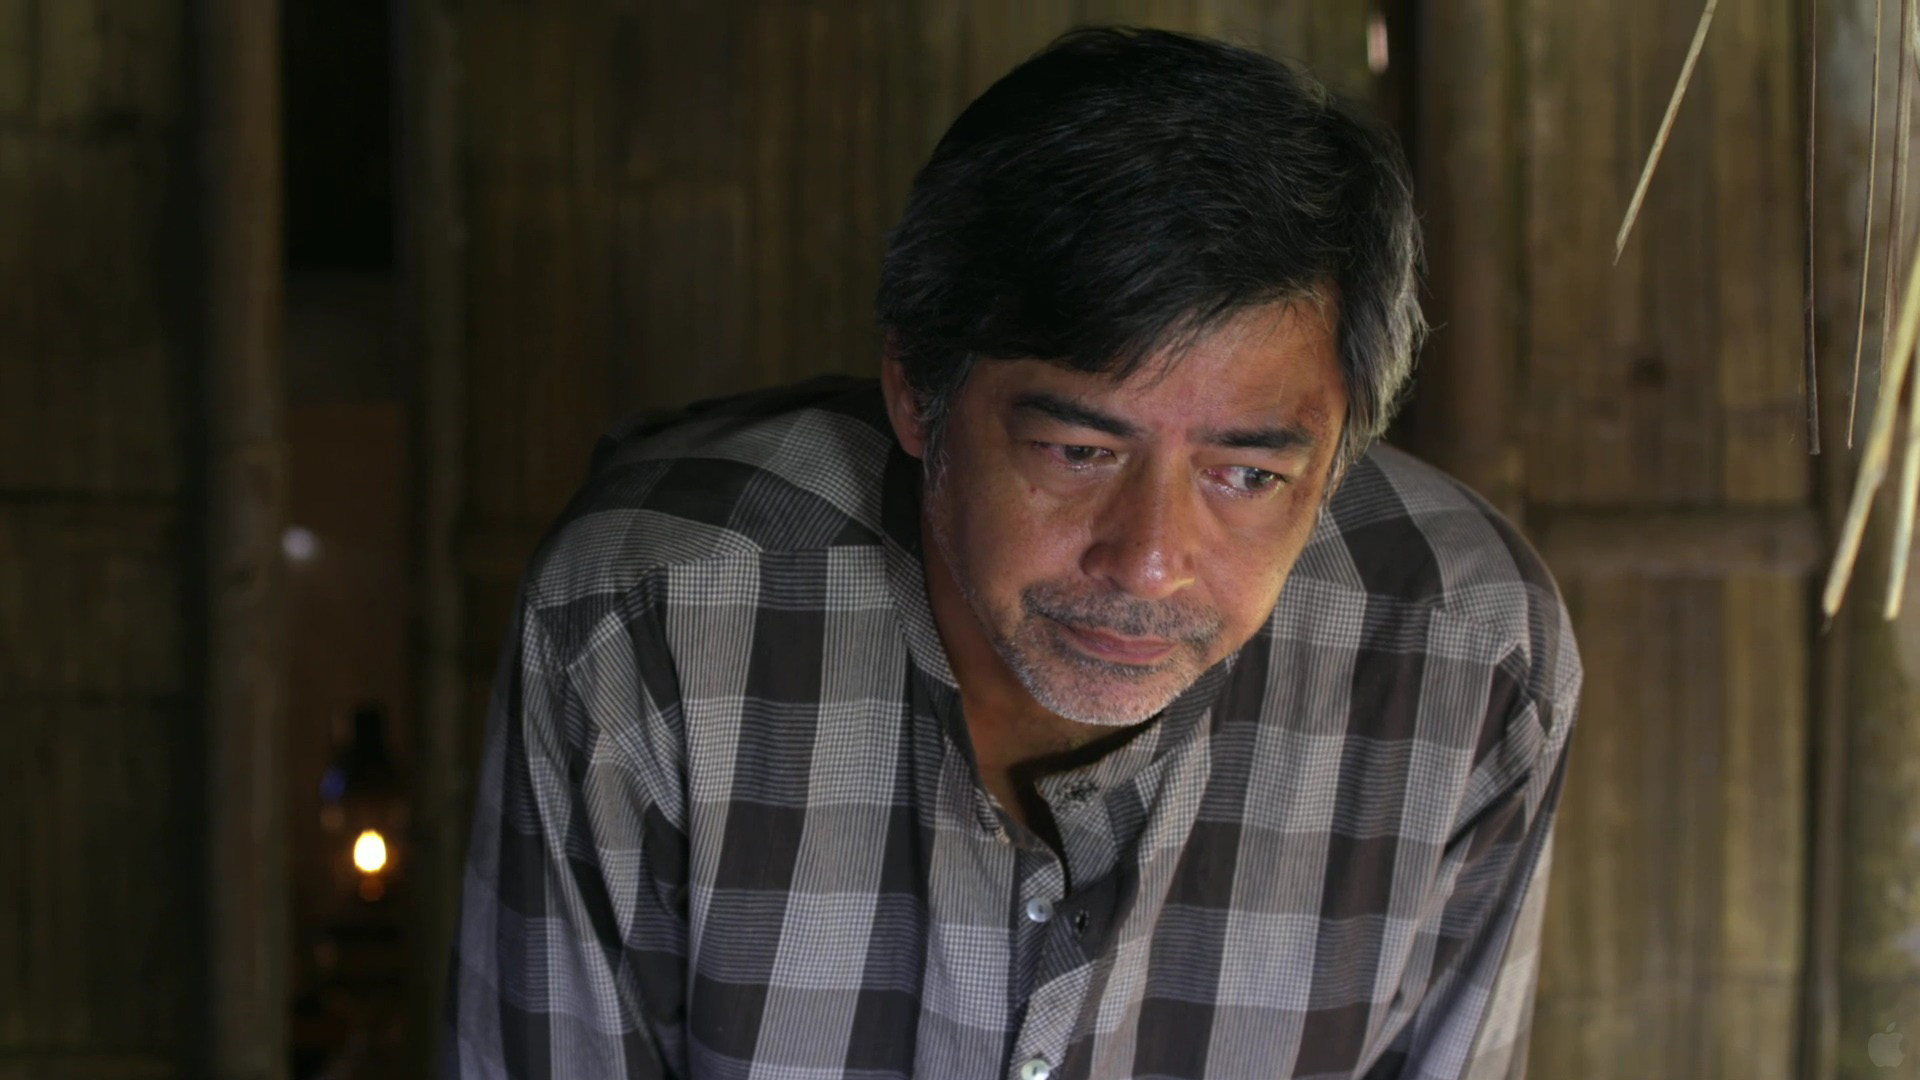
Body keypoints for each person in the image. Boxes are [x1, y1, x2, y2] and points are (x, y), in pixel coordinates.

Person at [443, 25, 1580, 1080]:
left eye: (1247, 475)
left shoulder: (1469, 665)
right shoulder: (653, 626)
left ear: (1338, 458)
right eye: (1079, 451)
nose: (1150, 563)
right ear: (916, 391)